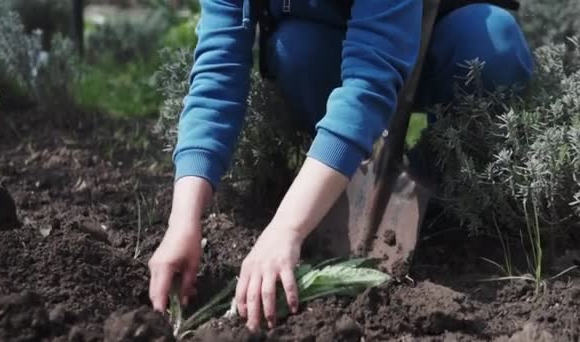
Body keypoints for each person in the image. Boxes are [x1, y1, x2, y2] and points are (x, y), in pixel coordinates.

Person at [148, 0, 533, 332]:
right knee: (295, 50)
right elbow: (217, 75)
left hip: (444, 33)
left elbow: (369, 81)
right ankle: (343, 169)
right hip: (333, 34)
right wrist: (183, 220)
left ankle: (444, 186)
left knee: (493, 46)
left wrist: (286, 228)